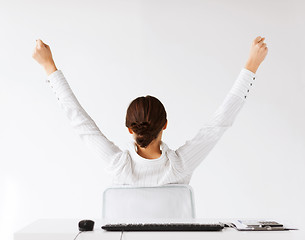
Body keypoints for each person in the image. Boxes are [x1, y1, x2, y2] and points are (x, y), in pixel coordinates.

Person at [32, 36, 268, 186]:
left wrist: (48, 66)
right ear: (165, 124)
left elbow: (78, 120)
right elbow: (219, 123)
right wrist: (252, 65)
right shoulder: (180, 166)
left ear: (129, 129)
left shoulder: (119, 166)